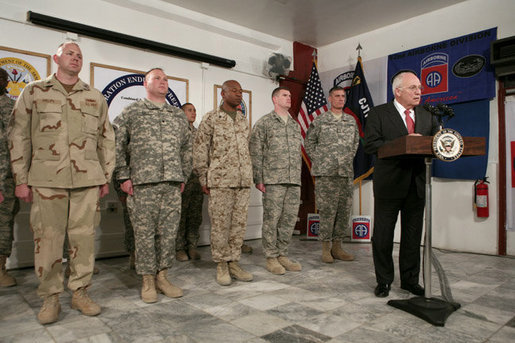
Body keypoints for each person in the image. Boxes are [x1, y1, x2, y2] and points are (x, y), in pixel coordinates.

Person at [8, 42, 115, 324]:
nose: (75, 58)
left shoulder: (94, 97)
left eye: (79, 55)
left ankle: (80, 292)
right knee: (48, 240)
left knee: (84, 240)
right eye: (70, 53)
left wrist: (106, 176)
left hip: (87, 180)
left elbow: (107, 139)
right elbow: (19, 136)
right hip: (46, 179)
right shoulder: (34, 91)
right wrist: (21, 179)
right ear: (56, 58)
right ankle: (50, 298)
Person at [114, 68, 191, 303]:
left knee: (168, 233)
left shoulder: (178, 116)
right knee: (144, 234)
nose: (163, 81)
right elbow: (117, 145)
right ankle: (147, 279)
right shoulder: (132, 112)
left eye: (166, 78)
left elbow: (187, 148)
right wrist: (123, 177)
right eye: (157, 78)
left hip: (171, 183)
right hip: (142, 184)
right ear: (145, 84)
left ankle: (163, 276)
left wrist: (183, 176)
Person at [364, 71, 439, 298]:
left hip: (417, 184)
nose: (419, 91)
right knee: (383, 235)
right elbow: (371, 144)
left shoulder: (428, 114)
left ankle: (409, 281)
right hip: (389, 184)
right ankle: (384, 281)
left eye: (419, 88)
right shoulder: (379, 113)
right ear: (398, 91)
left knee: (412, 236)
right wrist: (404, 143)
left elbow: (436, 141)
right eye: (413, 88)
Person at [194, 80, 253, 286]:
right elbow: (201, 149)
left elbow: (247, 149)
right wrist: (203, 177)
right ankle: (221, 264)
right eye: (234, 90)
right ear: (223, 93)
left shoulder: (243, 119)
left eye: (241, 91)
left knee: (238, 225)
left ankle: (234, 261)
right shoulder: (211, 118)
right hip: (220, 181)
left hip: (242, 180)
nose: (239, 94)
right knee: (220, 225)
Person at [250, 87, 302, 275]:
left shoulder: (295, 125)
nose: (289, 98)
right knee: (272, 219)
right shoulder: (265, 123)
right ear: (274, 99)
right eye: (285, 95)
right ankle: (271, 257)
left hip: (293, 179)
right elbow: (256, 151)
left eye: (290, 95)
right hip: (273, 179)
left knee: (289, 219)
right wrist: (259, 178)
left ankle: (282, 254)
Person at [305, 86, 359, 263]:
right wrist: (321, 160)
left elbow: (355, 144)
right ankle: (325, 248)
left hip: (345, 172)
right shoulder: (320, 120)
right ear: (330, 98)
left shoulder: (350, 121)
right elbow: (309, 143)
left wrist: (346, 159)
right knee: (327, 210)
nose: (340, 99)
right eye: (337, 96)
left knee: (343, 210)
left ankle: (338, 247)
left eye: (343, 96)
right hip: (326, 173)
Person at [176, 103, 203, 262]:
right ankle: (179, 247)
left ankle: (192, 245)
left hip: (197, 180)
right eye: (189, 110)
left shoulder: (199, 134)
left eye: (194, 110)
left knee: (195, 215)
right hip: (182, 180)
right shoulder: (177, 132)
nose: (193, 113)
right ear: (181, 112)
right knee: (180, 215)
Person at [0, 67, 20, 287]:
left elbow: (15, 145)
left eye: (4, 78)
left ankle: (0, 269)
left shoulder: (9, 107)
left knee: (3, 224)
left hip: (4, 177)